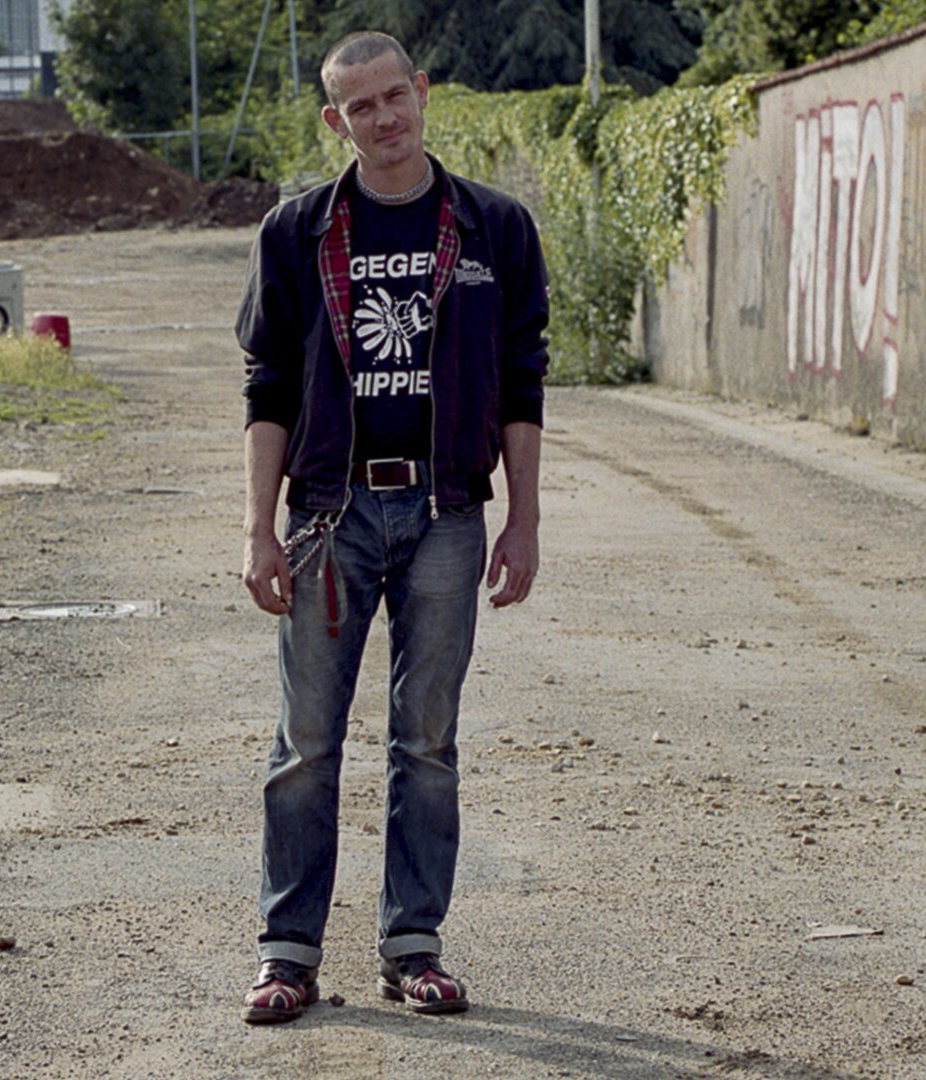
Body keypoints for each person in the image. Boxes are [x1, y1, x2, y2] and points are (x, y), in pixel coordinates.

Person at [235, 30, 549, 1024]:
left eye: (393, 96)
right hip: (330, 516)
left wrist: (525, 520)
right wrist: (256, 528)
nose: (383, 118)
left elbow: (522, 382)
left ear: (422, 90)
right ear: (337, 121)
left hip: (447, 516)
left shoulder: (494, 227)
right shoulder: (296, 232)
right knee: (306, 743)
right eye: (358, 106)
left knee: (427, 742)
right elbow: (267, 386)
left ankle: (413, 947)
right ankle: (288, 955)